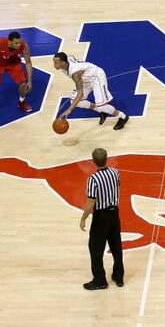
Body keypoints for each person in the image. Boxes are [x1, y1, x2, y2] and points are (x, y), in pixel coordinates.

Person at [79, 148, 125, 290]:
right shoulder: (115, 173)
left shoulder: (93, 179)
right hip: (114, 214)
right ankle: (119, 277)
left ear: (93, 161)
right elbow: (118, 186)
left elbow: (91, 202)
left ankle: (100, 280)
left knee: (95, 249)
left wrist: (83, 218)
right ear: (106, 159)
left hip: (101, 216)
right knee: (116, 246)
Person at [53, 52, 129, 130]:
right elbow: (71, 56)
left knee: (102, 106)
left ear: (63, 63)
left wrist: (69, 109)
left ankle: (123, 117)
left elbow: (80, 93)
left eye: (56, 63)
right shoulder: (67, 60)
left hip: (96, 78)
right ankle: (100, 110)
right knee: (75, 102)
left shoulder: (75, 73)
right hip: (85, 79)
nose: (54, 64)